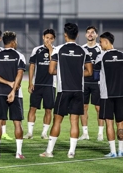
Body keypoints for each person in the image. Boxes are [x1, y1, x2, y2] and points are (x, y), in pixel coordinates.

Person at [40, 23, 92, 158]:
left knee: (57, 121)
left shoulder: (58, 50)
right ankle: (71, 152)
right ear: (78, 35)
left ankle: (49, 152)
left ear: (65, 35)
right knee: (74, 121)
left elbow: (51, 70)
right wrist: (76, 73)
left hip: (64, 91)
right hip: (78, 91)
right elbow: (89, 72)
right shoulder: (83, 51)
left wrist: (63, 73)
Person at [0, 31, 26, 159]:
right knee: (17, 123)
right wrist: (13, 90)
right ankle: (18, 153)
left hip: (0, 93)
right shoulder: (19, 56)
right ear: (13, 42)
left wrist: (8, 83)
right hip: (16, 94)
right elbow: (20, 75)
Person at [94, 32, 123, 157]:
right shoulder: (122, 55)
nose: (100, 45)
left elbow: (95, 77)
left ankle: (113, 152)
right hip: (121, 95)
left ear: (106, 41)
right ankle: (121, 150)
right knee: (120, 123)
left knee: (109, 123)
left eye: (100, 42)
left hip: (107, 95)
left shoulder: (101, 57)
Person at [24, 29, 56, 140]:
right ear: (43, 37)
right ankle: (29, 132)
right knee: (32, 108)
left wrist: (51, 49)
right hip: (37, 84)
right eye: (47, 37)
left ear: (54, 39)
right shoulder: (36, 50)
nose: (49, 40)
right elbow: (32, 66)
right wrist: (30, 83)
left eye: (51, 38)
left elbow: (55, 64)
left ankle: (44, 133)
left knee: (48, 110)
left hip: (51, 85)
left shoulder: (56, 50)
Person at [79, 26, 104, 141]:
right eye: (88, 32)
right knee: (83, 107)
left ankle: (100, 133)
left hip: (97, 83)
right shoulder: (82, 49)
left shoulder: (101, 49)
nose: (90, 34)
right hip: (84, 82)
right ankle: (85, 133)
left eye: (92, 32)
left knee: (99, 108)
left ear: (96, 35)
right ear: (85, 35)